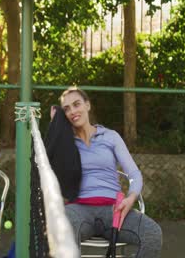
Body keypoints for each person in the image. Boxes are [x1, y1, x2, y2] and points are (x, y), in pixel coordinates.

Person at [53, 86, 162, 258]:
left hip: (114, 209)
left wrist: (130, 198)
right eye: (66, 109)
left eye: (76, 104)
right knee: (63, 228)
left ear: (87, 105)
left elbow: (134, 174)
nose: (73, 111)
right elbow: (54, 172)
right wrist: (56, 128)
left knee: (153, 233)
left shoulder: (110, 136)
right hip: (79, 209)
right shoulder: (65, 143)